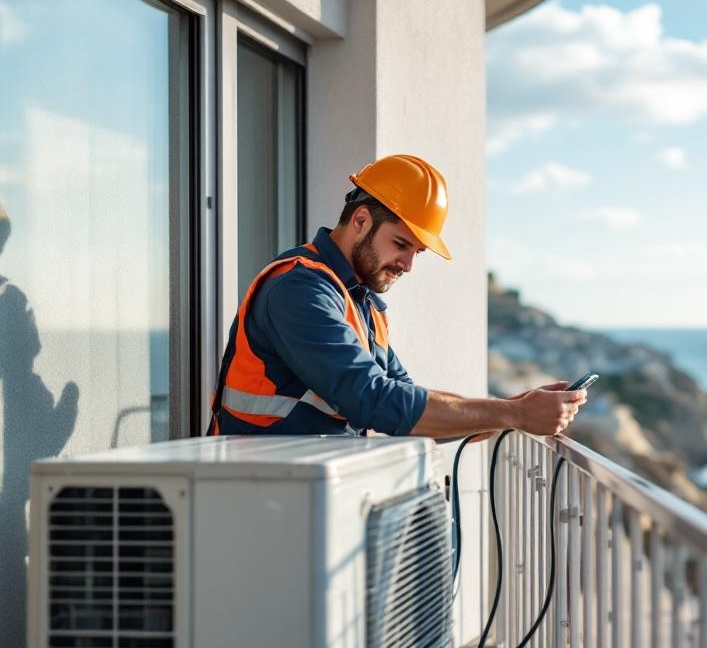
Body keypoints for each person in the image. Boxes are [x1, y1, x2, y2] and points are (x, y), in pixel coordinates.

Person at [209, 154, 586, 439]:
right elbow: (375, 401)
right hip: (256, 493)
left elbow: (407, 408)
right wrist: (514, 415)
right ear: (360, 221)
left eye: (417, 252)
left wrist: (515, 409)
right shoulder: (298, 288)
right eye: (401, 245)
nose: (407, 265)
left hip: (303, 491)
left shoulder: (363, 304)